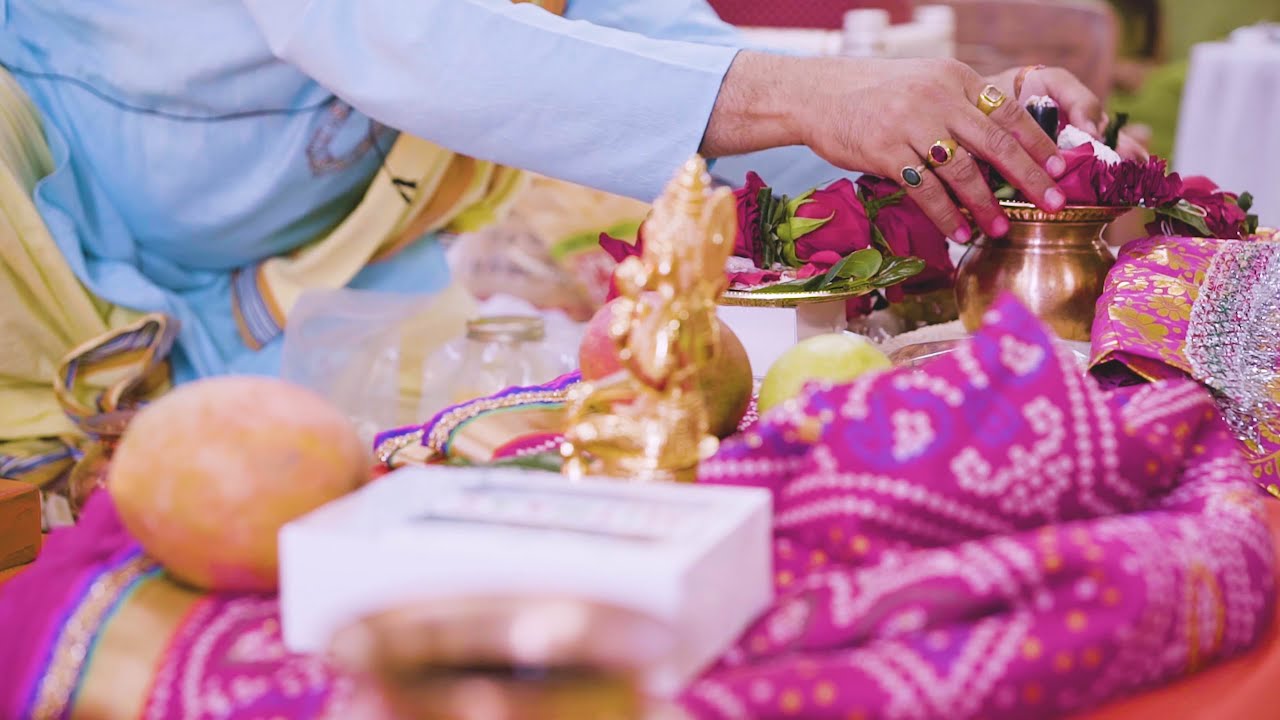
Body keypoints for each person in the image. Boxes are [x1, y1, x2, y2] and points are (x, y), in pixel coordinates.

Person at [0, 0, 1119, 497]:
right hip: (36, 245)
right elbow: (406, 33)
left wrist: (947, 123)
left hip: (293, 281)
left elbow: (665, 52)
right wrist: (809, 90)